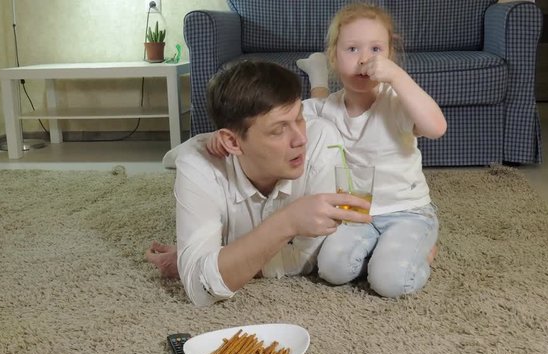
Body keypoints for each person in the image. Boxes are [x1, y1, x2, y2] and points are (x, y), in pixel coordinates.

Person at [146, 60, 372, 307]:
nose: (300, 139)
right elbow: (200, 289)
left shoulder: (321, 141)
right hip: (206, 154)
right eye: (278, 130)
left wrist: (224, 259)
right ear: (231, 142)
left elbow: (311, 255)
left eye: (299, 118)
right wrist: (288, 222)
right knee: (180, 157)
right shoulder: (198, 165)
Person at [294, 3, 447, 298]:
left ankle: (421, 252)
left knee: (390, 283)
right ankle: (384, 251)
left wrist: (398, 78)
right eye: (352, 49)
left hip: (407, 212)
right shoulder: (329, 109)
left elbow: (436, 128)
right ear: (334, 58)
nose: (364, 58)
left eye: (376, 49)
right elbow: (279, 122)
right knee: (332, 270)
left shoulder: (396, 102)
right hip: (356, 213)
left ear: (389, 56)